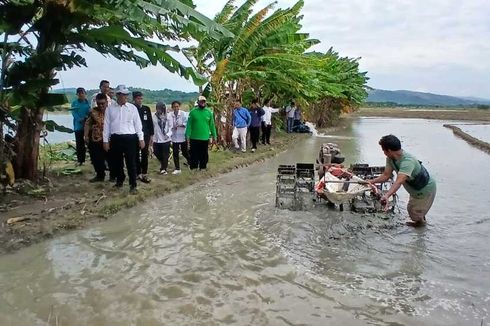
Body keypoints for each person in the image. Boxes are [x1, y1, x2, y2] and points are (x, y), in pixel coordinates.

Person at [366, 135, 436, 227]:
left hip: (425, 190)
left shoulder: (407, 162)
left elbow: (399, 181)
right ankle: (420, 224)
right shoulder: (391, 159)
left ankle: (421, 229)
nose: (384, 153)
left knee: (414, 213)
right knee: (413, 210)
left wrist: (387, 195)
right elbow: (386, 175)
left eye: (384, 150)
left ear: (389, 150)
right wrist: (371, 181)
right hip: (415, 189)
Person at [103, 85, 144, 193]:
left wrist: (141, 138)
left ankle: (133, 185)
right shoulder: (110, 109)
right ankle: (120, 180)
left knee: (131, 162)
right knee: (117, 162)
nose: (125, 97)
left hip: (130, 138)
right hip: (116, 138)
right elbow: (106, 126)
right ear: (117, 95)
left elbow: (138, 124)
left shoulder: (132, 108)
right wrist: (105, 141)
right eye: (123, 94)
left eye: (126, 95)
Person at [185, 95, 217, 170]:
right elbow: (189, 125)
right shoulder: (193, 112)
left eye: (204, 101)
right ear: (198, 102)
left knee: (204, 154)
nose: (203, 103)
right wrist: (187, 136)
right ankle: (194, 167)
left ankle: (203, 167)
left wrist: (214, 136)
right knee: (194, 153)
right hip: (194, 137)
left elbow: (212, 125)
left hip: (204, 137)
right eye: (201, 101)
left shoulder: (209, 112)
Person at [84, 93, 108, 182]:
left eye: (103, 103)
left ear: (106, 102)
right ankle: (100, 175)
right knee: (95, 158)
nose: (101, 105)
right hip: (95, 138)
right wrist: (86, 136)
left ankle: (114, 176)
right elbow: (87, 124)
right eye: (99, 104)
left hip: (108, 139)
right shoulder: (92, 112)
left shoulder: (111, 111)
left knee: (112, 158)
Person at [133, 91, 154, 183]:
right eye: (138, 98)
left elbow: (150, 122)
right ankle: (138, 172)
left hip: (145, 134)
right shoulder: (132, 109)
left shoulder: (146, 108)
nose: (140, 100)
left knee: (144, 153)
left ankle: (144, 172)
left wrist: (151, 135)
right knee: (135, 154)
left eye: (141, 98)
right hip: (134, 134)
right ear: (134, 99)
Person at [71, 87, 91, 166]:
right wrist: (80, 119)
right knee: (79, 144)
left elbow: (90, 112)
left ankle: (93, 159)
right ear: (77, 94)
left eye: (82, 93)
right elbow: (73, 113)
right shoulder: (74, 103)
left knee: (89, 143)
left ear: (85, 94)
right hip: (78, 126)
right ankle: (80, 160)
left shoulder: (87, 103)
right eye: (79, 93)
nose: (81, 95)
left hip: (87, 126)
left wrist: (86, 118)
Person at [152, 102, 174, 174]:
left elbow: (171, 127)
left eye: (160, 109)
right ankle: (164, 162)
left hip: (166, 138)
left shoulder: (168, 116)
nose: (158, 110)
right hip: (157, 138)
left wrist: (168, 135)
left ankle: (163, 169)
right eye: (157, 109)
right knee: (156, 152)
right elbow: (153, 127)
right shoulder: (154, 116)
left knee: (165, 154)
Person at [170, 100, 190, 174]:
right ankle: (177, 168)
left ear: (179, 107)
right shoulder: (170, 115)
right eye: (174, 107)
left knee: (185, 152)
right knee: (175, 153)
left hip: (182, 136)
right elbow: (169, 124)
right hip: (174, 137)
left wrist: (179, 125)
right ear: (172, 107)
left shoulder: (183, 114)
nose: (176, 108)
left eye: (177, 106)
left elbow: (186, 123)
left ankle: (191, 162)